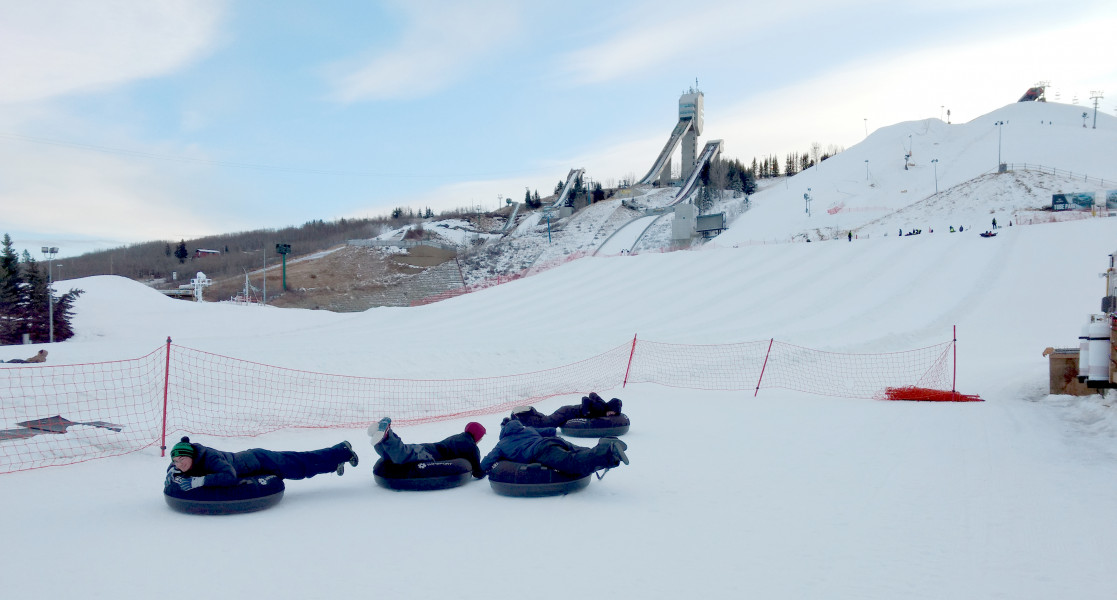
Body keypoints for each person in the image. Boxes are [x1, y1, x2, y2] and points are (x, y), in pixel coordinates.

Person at [166, 436, 359, 491]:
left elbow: (229, 476)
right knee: (302, 466)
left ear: (190, 456)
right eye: (175, 461)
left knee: (302, 465)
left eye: (182, 460)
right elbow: (175, 467)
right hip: (255, 460)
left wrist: (199, 482)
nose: (179, 464)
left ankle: (342, 450)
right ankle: (335, 462)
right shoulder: (190, 459)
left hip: (261, 460)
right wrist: (171, 473)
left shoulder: (210, 458)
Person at [480, 419, 628, 477]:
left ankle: (608, 451)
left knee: (572, 462)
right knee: (579, 451)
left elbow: (488, 461)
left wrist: (478, 472)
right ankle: (607, 445)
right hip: (553, 440)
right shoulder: (528, 429)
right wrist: (555, 427)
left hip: (541, 451)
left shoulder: (502, 444)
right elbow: (548, 431)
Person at [369, 418, 487, 478]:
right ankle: (388, 434)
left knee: (395, 455)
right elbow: (478, 472)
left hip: (426, 447)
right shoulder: (472, 447)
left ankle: (381, 441)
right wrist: (486, 471)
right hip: (430, 455)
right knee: (402, 456)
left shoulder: (458, 437)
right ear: (477, 436)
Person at [508, 392, 621, 428]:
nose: (612, 414)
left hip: (567, 411)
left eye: (615, 413)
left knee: (546, 419)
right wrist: (586, 412)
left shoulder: (603, 404)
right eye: (613, 411)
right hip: (567, 412)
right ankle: (520, 416)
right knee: (546, 424)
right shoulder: (600, 407)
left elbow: (593, 394)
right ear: (610, 407)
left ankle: (531, 412)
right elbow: (585, 398)